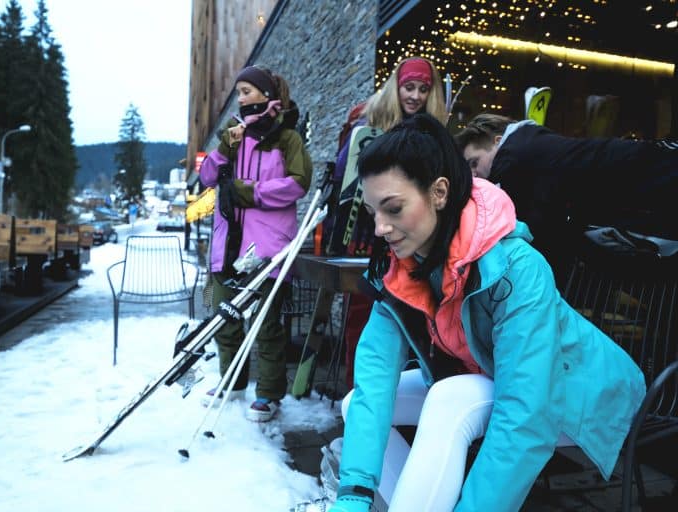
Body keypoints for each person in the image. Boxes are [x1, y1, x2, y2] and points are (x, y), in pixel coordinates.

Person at [328, 112, 645, 512]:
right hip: (495, 376)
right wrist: (352, 496)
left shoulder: (516, 267)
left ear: (439, 193)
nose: (380, 227)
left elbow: (527, 414)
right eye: (374, 211)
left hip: (578, 395)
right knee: (355, 401)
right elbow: (375, 381)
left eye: (393, 208)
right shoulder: (406, 268)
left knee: (448, 399)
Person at [198, 65, 312, 422]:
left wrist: (251, 193)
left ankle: (268, 393)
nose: (241, 97)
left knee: (266, 324)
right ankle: (232, 382)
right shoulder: (234, 136)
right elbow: (207, 177)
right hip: (228, 245)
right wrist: (222, 149)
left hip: (266, 248)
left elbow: (298, 183)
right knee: (225, 318)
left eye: (247, 91)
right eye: (239, 92)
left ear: (266, 95)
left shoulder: (287, 138)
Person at [327, 57, 449, 388]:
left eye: (423, 89)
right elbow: (347, 176)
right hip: (369, 239)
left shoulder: (429, 130)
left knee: (412, 322)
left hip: (412, 240)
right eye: (409, 87)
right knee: (364, 321)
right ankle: (358, 401)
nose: (415, 96)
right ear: (396, 87)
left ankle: (402, 408)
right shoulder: (367, 121)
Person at [453, 113, 678, 282]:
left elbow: (533, 226)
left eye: (475, 162)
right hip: (651, 176)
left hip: (653, 177)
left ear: (497, 141)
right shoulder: (531, 148)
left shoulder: (514, 154)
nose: (474, 175)